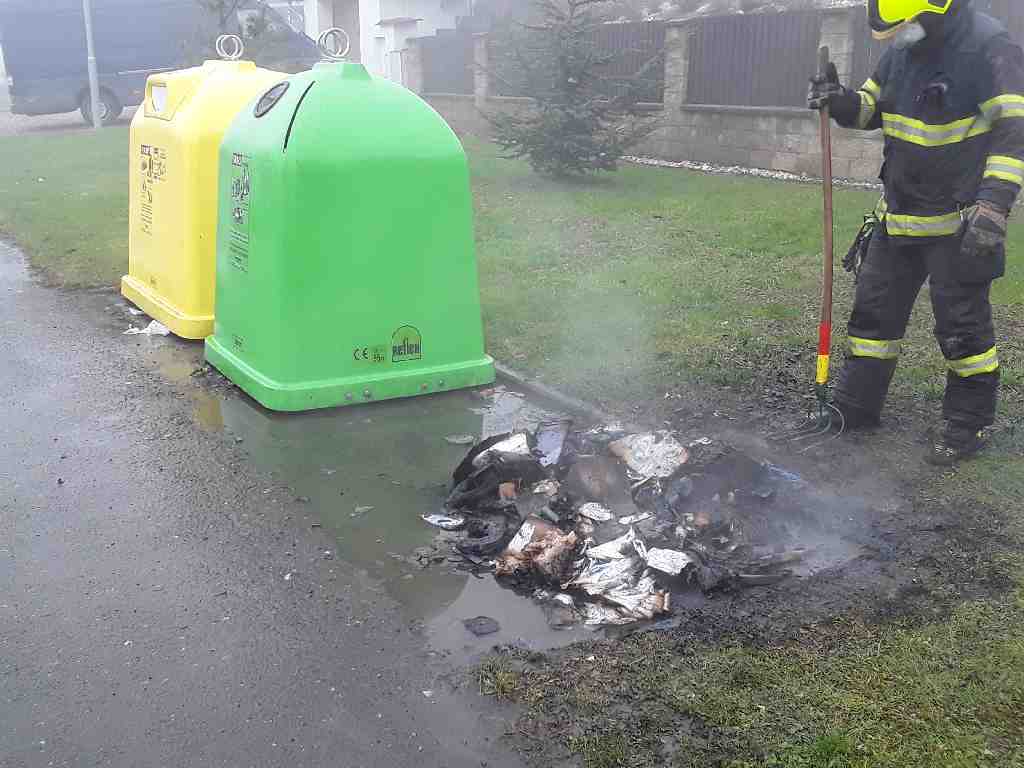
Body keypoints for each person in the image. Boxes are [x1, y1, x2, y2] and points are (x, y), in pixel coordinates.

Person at [808, 0, 1024, 465]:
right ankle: (856, 408)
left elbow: (1014, 130)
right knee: (872, 320)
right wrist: (839, 99)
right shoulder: (902, 52)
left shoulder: (988, 46)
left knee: (962, 331)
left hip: (960, 224)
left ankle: (967, 425)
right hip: (898, 216)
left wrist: (993, 207)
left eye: (906, 26)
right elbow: (871, 108)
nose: (897, 37)